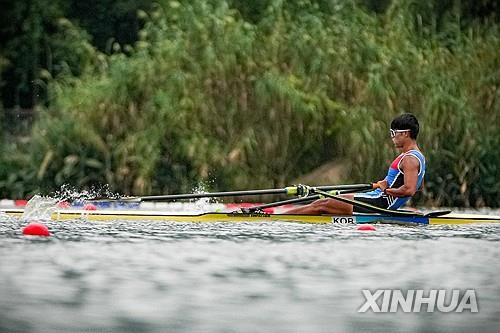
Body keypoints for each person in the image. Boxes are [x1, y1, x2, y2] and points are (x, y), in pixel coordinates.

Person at [286, 113, 426, 215]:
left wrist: (385, 190)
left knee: (323, 204)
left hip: (379, 202)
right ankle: (283, 217)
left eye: (393, 133)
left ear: (406, 134)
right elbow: (419, 186)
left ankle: (278, 219)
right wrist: (387, 184)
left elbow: (409, 190)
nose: (392, 137)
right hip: (378, 199)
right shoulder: (418, 157)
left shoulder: (409, 159)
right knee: (324, 203)